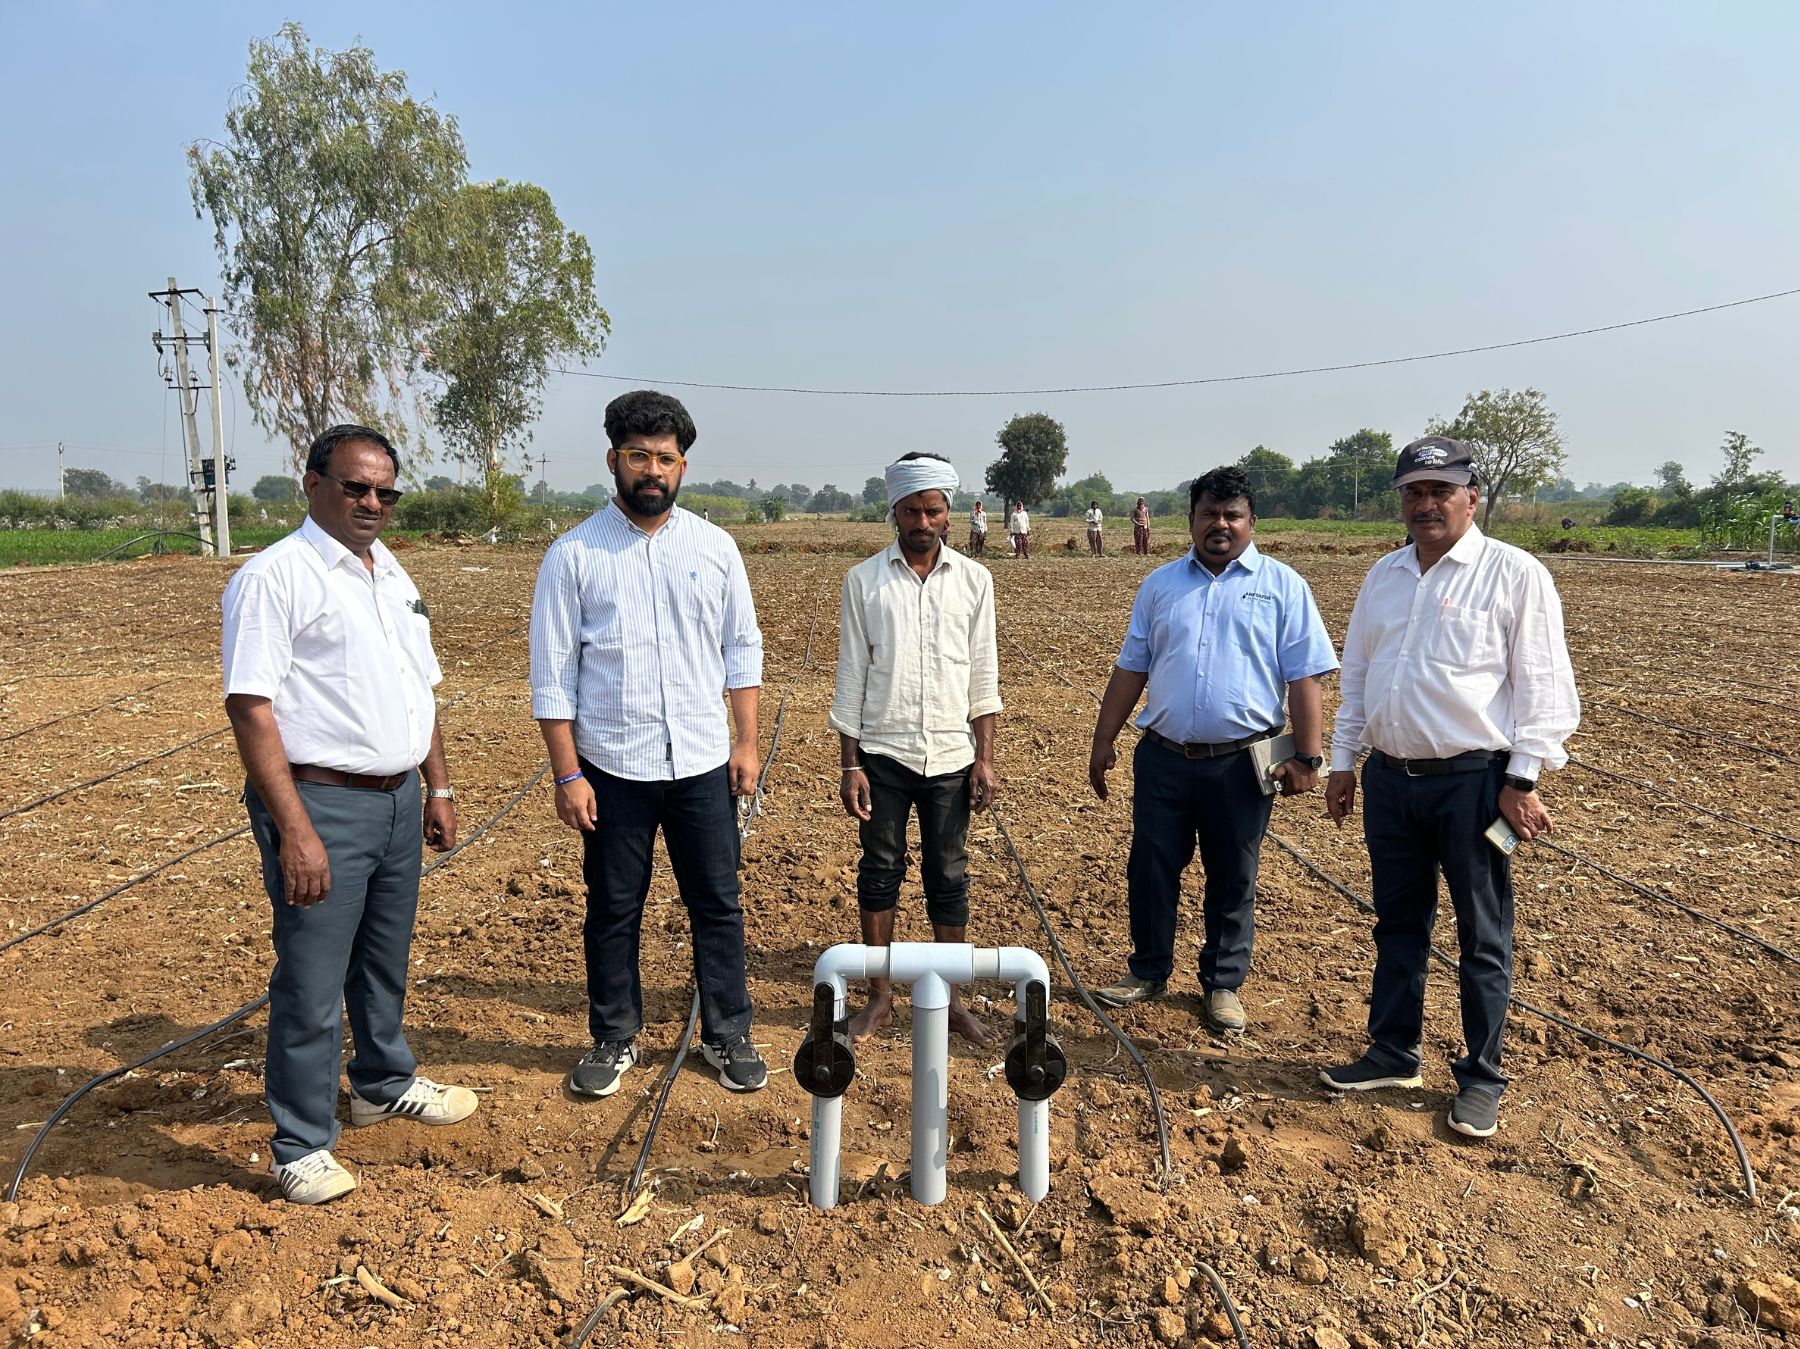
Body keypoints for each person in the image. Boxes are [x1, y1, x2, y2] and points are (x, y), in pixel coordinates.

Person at [221, 424, 475, 1206]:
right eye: (355, 487)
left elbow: (418, 688)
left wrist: (436, 787)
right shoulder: (276, 577)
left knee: (382, 957)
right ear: (313, 484)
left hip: (396, 799)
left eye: (385, 492)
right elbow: (251, 707)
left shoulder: (389, 572)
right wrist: (295, 828)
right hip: (321, 800)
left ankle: (381, 1083)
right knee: (311, 976)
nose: (372, 503)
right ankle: (300, 1144)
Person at [1322, 436, 1579, 1140]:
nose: (1426, 504)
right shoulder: (1384, 576)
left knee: (1482, 933)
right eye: (1414, 491)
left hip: (1475, 784)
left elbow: (1545, 687)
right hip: (1390, 779)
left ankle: (1481, 1078)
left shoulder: (1514, 574)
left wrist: (1522, 778)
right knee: (1397, 923)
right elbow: (1359, 677)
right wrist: (1343, 762)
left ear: (1472, 496)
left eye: (1441, 490)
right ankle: (1392, 1052)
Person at [530, 389, 768, 1099]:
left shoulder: (715, 549)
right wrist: (568, 774)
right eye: (639, 456)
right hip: (612, 768)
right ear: (614, 460)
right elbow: (552, 676)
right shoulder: (573, 555)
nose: (653, 470)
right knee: (612, 908)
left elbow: (742, 649)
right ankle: (614, 1035)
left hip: (701, 761)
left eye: (665, 458)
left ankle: (727, 1033)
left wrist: (746, 742)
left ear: (682, 466)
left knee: (717, 903)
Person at [1089, 466, 1337, 1031]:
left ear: (1252, 522)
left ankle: (1222, 984)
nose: (1220, 525)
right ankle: (1148, 970)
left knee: (1233, 875)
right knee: (1151, 868)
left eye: (1232, 515)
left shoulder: (1283, 587)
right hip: (1164, 758)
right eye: (1209, 514)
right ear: (1192, 520)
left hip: (1242, 763)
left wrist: (1308, 756)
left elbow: (1304, 677)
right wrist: (1104, 740)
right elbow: (1131, 668)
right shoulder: (1160, 586)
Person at [830, 452, 1002, 1045]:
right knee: (880, 869)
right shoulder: (864, 582)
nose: (923, 522)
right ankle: (879, 997)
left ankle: (951, 1000)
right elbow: (851, 676)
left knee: (948, 873)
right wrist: (850, 764)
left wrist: (985, 758)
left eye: (933, 511)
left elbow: (983, 677)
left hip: (952, 756)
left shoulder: (975, 581)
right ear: (894, 513)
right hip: (883, 753)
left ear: (948, 514)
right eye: (911, 511)